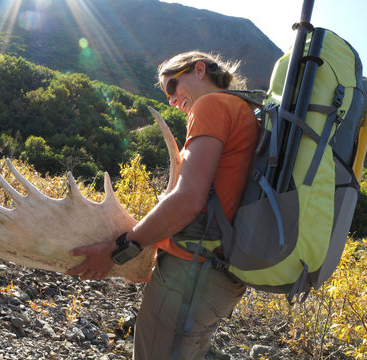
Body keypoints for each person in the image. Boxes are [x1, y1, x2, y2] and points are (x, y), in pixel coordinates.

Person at [66, 50, 259, 359]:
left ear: (199, 70)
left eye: (172, 86)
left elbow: (188, 199)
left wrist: (123, 250)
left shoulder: (211, 105)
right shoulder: (245, 111)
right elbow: (218, 200)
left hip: (191, 277)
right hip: (220, 277)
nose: (172, 99)